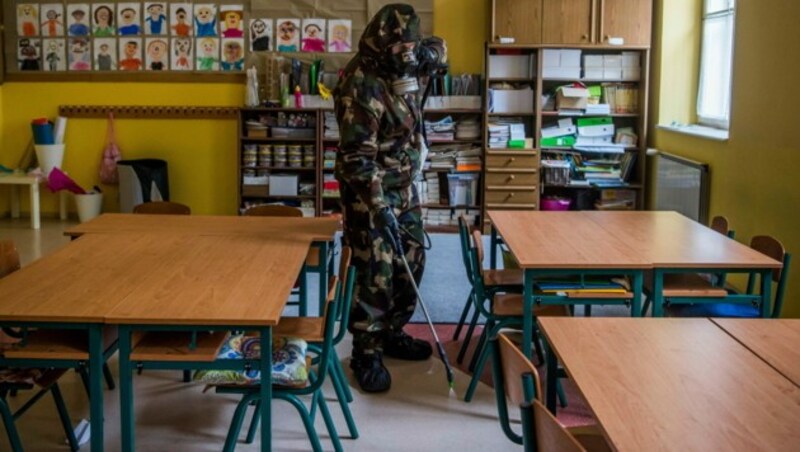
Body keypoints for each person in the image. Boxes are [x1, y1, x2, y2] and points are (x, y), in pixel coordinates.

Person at [334, 3, 447, 393]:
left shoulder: (408, 60)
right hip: (369, 189)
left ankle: (392, 331)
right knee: (375, 270)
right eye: (401, 51)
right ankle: (366, 349)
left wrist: (428, 54)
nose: (407, 57)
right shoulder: (360, 84)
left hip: (403, 185)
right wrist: (378, 207)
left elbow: (438, 49)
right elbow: (356, 159)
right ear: (382, 44)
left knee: (412, 257)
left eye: (410, 49)